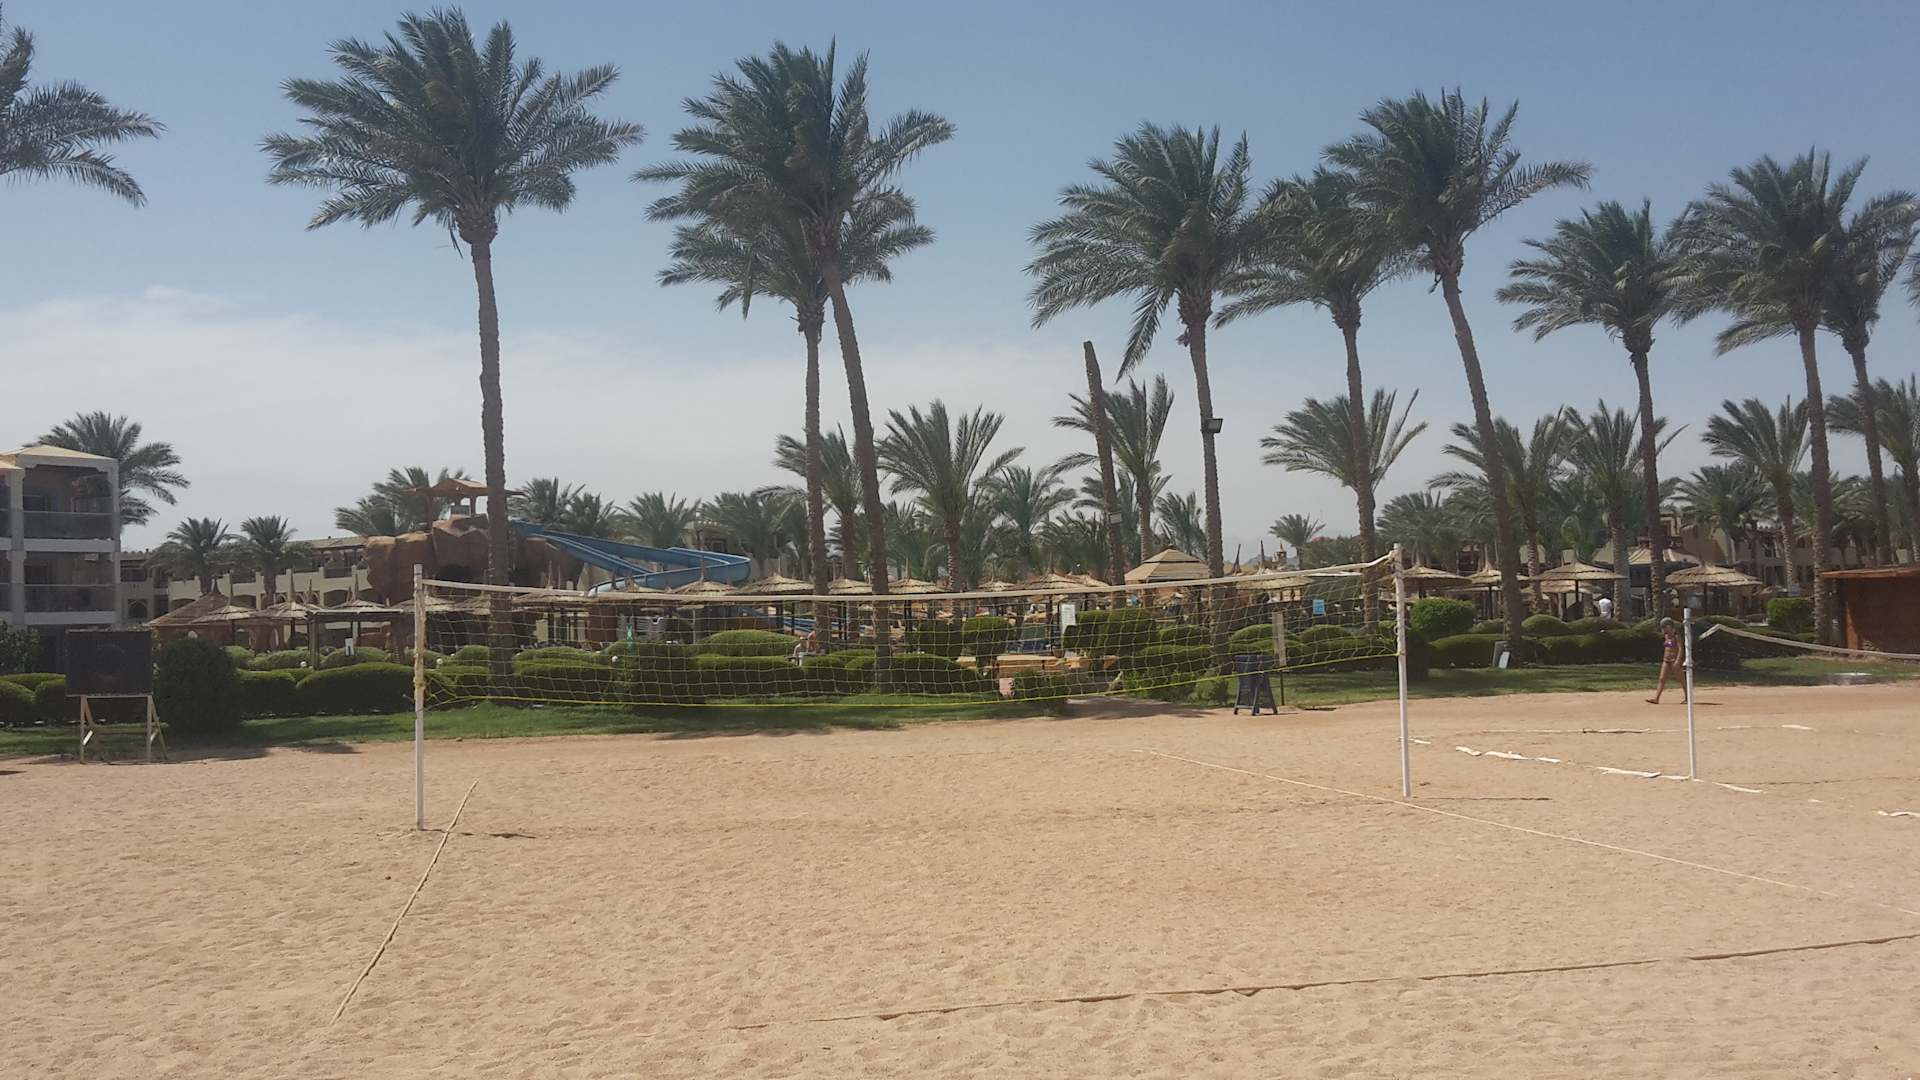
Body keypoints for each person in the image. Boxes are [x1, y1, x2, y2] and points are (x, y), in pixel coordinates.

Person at [1647, 617, 1686, 704]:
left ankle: (1687, 696)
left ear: (1669, 626)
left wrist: (1678, 660)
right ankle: (1656, 698)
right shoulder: (1666, 636)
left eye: (1664, 627)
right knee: (1662, 679)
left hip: (1674, 660)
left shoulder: (1676, 636)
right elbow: (1667, 647)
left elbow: (1680, 648)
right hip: (1666, 660)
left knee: (1681, 679)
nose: (1663, 629)